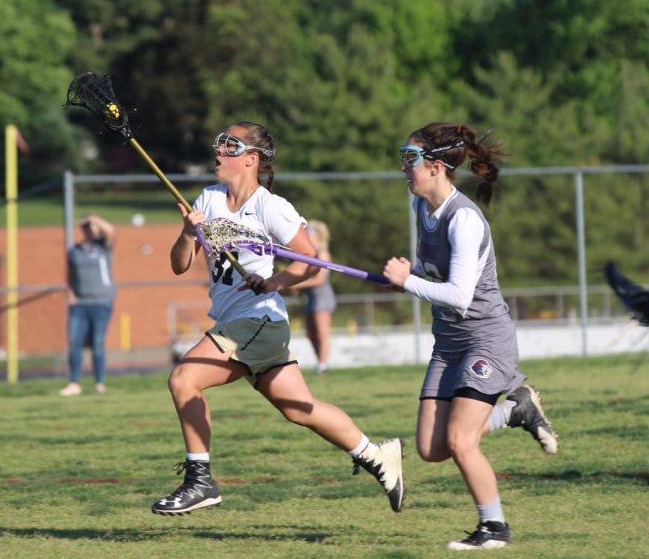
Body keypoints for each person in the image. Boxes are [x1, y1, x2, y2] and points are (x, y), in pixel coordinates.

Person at [152, 121, 404, 516]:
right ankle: (376, 455)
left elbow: (313, 266)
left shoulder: (271, 207)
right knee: (299, 407)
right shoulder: (209, 199)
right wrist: (188, 233)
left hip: (258, 320)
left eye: (229, 145)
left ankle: (199, 481)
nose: (218, 150)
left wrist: (272, 282)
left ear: (252, 159)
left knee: (184, 378)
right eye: (219, 141)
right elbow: (179, 266)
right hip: (235, 319)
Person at [382, 122, 558, 551]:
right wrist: (414, 276)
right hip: (449, 343)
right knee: (431, 447)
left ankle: (494, 528)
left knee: (461, 441)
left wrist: (408, 282)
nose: (404, 168)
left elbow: (460, 296)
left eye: (411, 158)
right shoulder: (423, 210)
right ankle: (515, 411)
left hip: (485, 340)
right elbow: (439, 276)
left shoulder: (464, 219)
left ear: (437, 166)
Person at [60, 213, 116, 396]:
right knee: (74, 342)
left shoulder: (103, 246)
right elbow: (69, 275)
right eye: (86, 226)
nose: (89, 228)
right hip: (80, 304)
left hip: (101, 302)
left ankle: (99, 382)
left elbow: (111, 230)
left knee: (98, 343)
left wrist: (94, 219)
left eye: (91, 226)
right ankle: (74, 382)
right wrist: (70, 295)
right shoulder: (75, 250)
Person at [290, 219, 336, 375]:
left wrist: (297, 284)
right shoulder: (311, 254)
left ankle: (323, 365)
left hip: (322, 298)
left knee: (322, 333)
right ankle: (320, 363)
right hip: (311, 298)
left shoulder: (323, 253)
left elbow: (319, 279)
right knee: (310, 333)